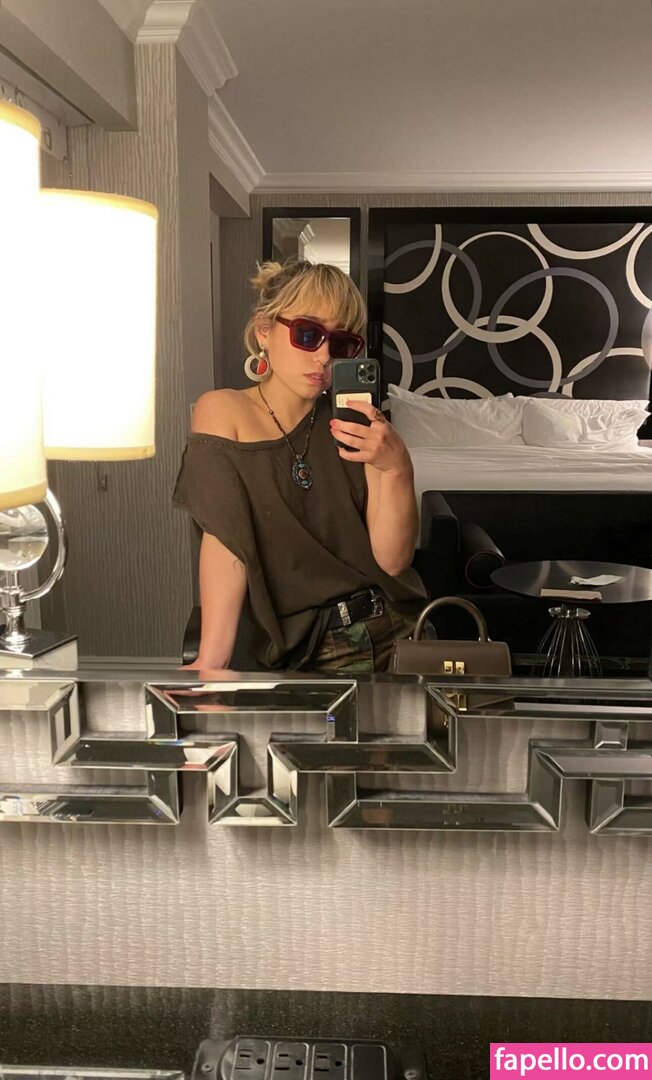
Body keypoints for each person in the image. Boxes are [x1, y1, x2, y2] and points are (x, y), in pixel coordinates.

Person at [172, 258, 427, 673]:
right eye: (308, 334)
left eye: (341, 344)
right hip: (307, 652)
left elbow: (393, 562)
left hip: (400, 633)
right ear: (264, 330)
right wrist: (212, 658)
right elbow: (226, 540)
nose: (324, 356)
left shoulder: (359, 426)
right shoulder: (222, 411)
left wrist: (397, 467)